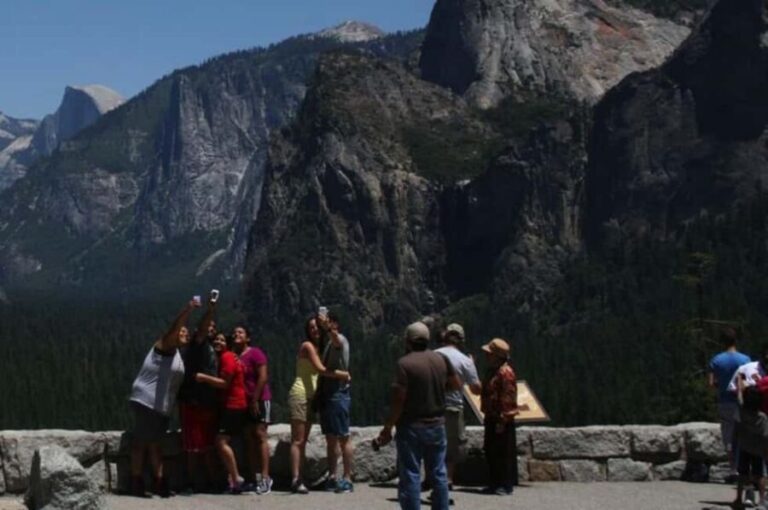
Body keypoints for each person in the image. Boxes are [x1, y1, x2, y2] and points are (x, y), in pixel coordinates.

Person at [376, 321, 461, 510]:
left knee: (411, 475)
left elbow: (399, 401)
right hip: (437, 424)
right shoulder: (441, 359)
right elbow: (456, 384)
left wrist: (388, 427)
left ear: (408, 341)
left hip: (411, 426)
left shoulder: (405, 364)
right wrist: (438, 388)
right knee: (439, 472)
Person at [129, 300, 195, 498]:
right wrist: (188, 310)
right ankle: (136, 481)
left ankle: (158, 481)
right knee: (141, 442)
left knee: (155, 443)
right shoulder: (164, 346)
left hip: (161, 406)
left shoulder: (176, 355)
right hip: (146, 401)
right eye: (181, 332)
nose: (184, 334)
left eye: (186, 333)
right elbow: (174, 329)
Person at [287, 315, 351, 494]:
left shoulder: (322, 346)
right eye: (311, 328)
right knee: (298, 440)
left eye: (317, 327)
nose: (315, 330)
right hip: (300, 394)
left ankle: (301, 477)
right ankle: (295, 479)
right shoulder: (307, 346)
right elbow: (321, 370)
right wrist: (343, 375)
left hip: (313, 397)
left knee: (303, 440)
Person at [195, 333, 248, 494]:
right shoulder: (229, 357)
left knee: (221, 442)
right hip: (232, 404)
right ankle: (232, 479)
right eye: (216, 339)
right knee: (224, 441)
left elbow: (225, 383)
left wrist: (204, 378)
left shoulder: (227, 357)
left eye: (222, 339)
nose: (218, 341)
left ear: (228, 343)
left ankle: (236, 477)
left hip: (233, 404)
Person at [435, 323, 481, 489]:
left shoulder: (433, 355)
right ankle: (447, 479)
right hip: (454, 406)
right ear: (461, 340)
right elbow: (476, 389)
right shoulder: (464, 360)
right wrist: (472, 365)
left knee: (434, 445)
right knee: (452, 446)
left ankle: (432, 478)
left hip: (433, 406)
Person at [234, 325, 274, 495]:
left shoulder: (255, 353)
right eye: (235, 332)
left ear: (247, 338)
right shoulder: (235, 356)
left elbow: (263, 376)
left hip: (260, 399)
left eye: (240, 332)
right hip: (244, 402)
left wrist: (255, 399)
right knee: (249, 439)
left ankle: (266, 478)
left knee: (260, 435)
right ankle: (255, 478)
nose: (236, 334)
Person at [317, 311, 354, 493]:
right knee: (330, 438)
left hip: (338, 394)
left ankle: (347, 477)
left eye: (330, 322)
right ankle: (332, 476)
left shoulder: (340, 340)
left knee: (343, 437)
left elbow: (336, 339)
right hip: (328, 395)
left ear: (335, 324)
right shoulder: (328, 344)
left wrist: (328, 327)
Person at [708, 328, 750, 479]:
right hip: (741, 402)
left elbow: (712, 383)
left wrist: (722, 384)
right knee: (743, 435)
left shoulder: (716, 360)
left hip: (725, 401)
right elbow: (748, 381)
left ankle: (733, 468)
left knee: (728, 436)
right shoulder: (745, 360)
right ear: (735, 341)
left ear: (722, 341)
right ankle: (744, 467)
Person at [480, 338, 518, 496]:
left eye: (489, 354)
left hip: (501, 419)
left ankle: (505, 484)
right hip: (491, 416)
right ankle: (494, 482)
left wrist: (504, 419)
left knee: (502, 452)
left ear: (497, 356)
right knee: (491, 450)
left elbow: (508, 398)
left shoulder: (506, 372)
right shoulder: (493, 371)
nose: (487, 356)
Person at [734, 386, 768, 508]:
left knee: (742, 474)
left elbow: (738, 396)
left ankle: (738, 498)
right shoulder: (762, 417)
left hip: (744, 446)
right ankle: (762, 500)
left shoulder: (742, 411)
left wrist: (739, 381)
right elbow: (765, 435)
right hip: (758, 449)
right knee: (760, 475)